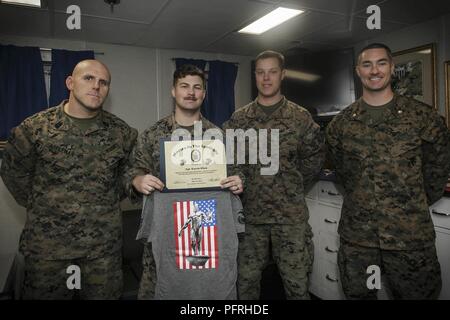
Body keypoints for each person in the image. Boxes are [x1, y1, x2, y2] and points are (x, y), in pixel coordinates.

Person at [0, 59, 138, 299]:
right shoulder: (34, 129)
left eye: (103, 82)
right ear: (70, 83)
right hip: (48, 252)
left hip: (102, 251)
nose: (96, 86)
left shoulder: (122, 133)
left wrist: (101, 202)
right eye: (89, 78)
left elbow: (128, 176)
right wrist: (46, 204)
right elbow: (14, 174)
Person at [326, 43, 450, 299]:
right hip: (359, 240)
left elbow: (437, 171)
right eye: (367, 64)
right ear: (357, 71)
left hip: (410, 239)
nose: (374, 70)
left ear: (392, 68)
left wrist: (409, 205)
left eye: (381, 63)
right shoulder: (341, 124)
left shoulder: (423, 117)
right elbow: (342, 172)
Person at [126, 64, 244, 299]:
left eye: (197, 87)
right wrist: (138, 181)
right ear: (173, 91)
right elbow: (132, 172)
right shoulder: (153, 134)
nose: (191, 92)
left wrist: (239, 181)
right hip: (165, 229)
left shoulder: (218, 136)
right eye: (184, 86)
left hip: (209, 228)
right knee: (159, 286)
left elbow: (237, 171)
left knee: (210, 288)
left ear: (204, 94)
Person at [223, 50, 325, 299]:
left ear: (283, 75)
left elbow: (314, 160)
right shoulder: (239, 119)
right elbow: (230, 161)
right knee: (246, 283)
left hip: (289, 217)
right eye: (260, 72)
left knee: (297, 285)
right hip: (250, 216)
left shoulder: (301, 118)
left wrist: (288, 184)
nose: (266, 78)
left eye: (272, 72)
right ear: (255, 76)